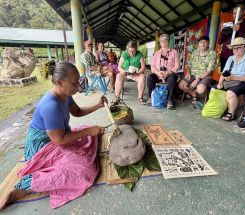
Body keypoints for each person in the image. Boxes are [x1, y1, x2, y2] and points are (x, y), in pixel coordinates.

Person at [0, 61, 106, 210]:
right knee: (84, 169)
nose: (78, 87)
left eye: (79, 82)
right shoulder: (51, 105)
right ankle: (26, 188)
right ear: (59, 82)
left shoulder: (65, 94)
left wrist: (98, 105)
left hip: (60, 136)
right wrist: (88, 131)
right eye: (74, 83)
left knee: (89, 139)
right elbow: (58, 140)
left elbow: (77, 112)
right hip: (43, 144)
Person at [216, 37, 245, 121]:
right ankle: (218, 108)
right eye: (234, 48)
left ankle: (231, 113)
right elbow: (224, 72)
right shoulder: (231, 58)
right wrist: (220, 83)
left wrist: (234, 77)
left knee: (230, 92)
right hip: (233, 80)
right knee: (215, 88)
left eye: (238, 47)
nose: (236, 50)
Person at [178, 36, 216, 104]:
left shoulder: (212, 53)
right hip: (192, 74)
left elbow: (209, 71)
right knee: (181, 85)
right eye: (201, 42)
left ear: (208, 43)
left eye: (205, 42)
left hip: (204, 76)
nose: (202, 44)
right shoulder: (194, 52)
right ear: (198, 44)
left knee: (201, 90)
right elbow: (188, 65)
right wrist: (188, 73)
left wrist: (197, 80)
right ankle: (193, 94)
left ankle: (195, 91)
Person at [147, 34, 180, 109]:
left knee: (172, 78)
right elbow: (153, 66)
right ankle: (150, 97)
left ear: (168, 41)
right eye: (162, 41)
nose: (164, 42)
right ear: (160, 42)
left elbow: (177, 65)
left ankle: (170, 100)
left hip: (169, 74)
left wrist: (168, 72)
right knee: (150, 77)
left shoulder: (174, 52)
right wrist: (157, 72)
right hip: (158, 74)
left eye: (166, 40)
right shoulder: (156, 53)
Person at [218, 5, 245, 70]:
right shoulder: (228, 24)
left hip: (240, 55)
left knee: (237, 75)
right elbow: (219, 41)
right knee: (224, 75)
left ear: (244, 12)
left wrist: (239, 29)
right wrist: (222, 32)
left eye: (239, 12)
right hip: (225, 54)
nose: (236, 14)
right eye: (234, 13)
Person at [111, 41, 146, 105]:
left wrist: (138, 72)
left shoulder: (139, 54)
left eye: (133, 51)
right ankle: (117, 97)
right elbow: (119, 67)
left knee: (142, 77)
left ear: (136, 49)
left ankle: (140, 97)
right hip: (125, 73)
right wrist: (123, 71)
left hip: (136, 73)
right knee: (118, 76)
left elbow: (143, 67)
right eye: (130, 51)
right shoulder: (124, 54)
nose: (132, 53)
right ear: (127, 50)